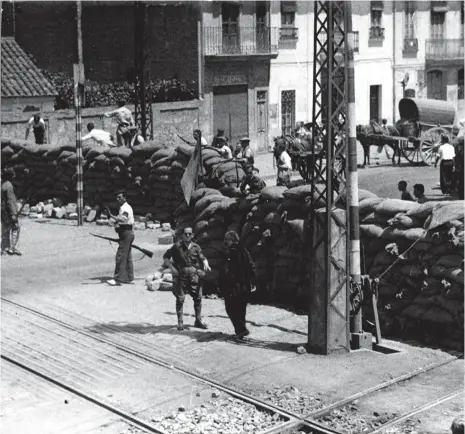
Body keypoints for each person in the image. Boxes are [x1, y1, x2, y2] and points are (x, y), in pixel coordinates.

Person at [163, 226, 211, 331]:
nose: (188, 235)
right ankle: (180, 322)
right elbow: (166, 257)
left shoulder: (196, 247)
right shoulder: (176, 247)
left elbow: (203, 258)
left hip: (194, 275)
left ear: (192, 235)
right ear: (182, 235)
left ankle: (198, 320)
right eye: (186, 234)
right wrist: (171, 268)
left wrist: (206, 264)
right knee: (180, 298)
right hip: (181, 276)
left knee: (198, 298)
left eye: (190, 234)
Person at [219, 231, 256, 340]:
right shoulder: (243, 251)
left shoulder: (235, 252)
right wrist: (252, 282)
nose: (225, 241)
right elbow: (251, 266)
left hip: (236, 286)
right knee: (240, 309)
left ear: (233, 240)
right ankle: (241, 330)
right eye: (225, 239)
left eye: (227, 239)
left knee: (230, 308)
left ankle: (241, 330)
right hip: (243, 286)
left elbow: (233, 270)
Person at [105, 190, 135, 285]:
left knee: (120, 256)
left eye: (120, 197)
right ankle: (130, 278)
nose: (117, 199)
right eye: (117, 197)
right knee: (127, 256)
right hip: (126, 233)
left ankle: (118, 279)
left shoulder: (125, 208)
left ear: (124, 198)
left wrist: (111, 216)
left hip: (126, 233)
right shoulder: (123, 207)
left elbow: (123, 219)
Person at [1, 168, 21, 255]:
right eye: (12, 174)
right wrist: (13, 214)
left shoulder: (3, 185)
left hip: (3, 210)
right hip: (9, 211)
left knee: (5, 228)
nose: (14, 176)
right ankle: (12, 247)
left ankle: (5, 248)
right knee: (15, 227)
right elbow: (9, 201)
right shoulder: (9, 186)